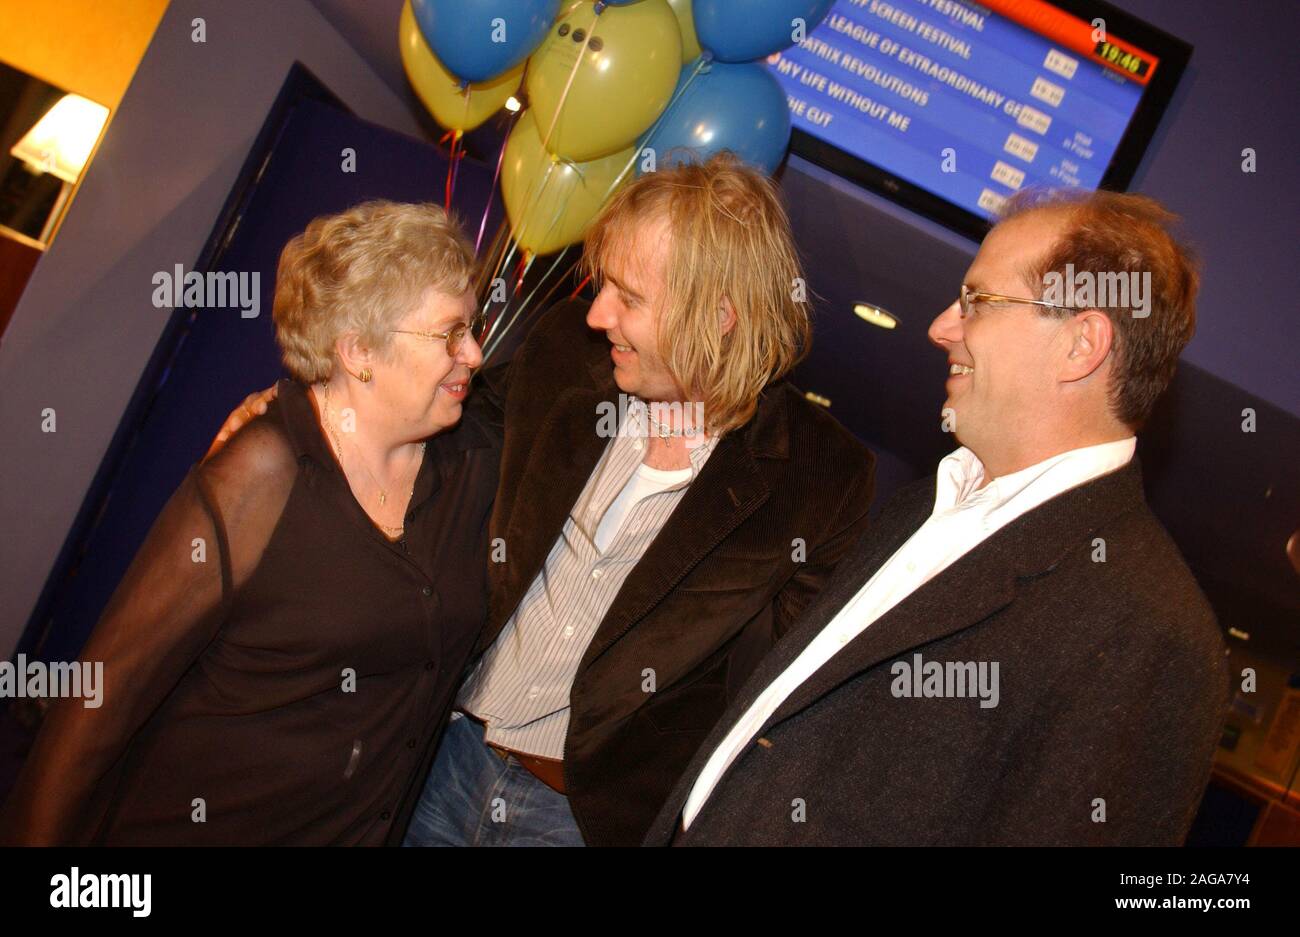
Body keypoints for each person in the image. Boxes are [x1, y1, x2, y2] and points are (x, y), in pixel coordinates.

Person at [228, 155, 877, 845]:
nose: (598, 314)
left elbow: (778, 699)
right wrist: (310, 416)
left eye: (629, 297)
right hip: (435, 755)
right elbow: (443, 436)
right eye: (604, 287)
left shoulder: (822, 478)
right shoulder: (568, 351)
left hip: (582, 821)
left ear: (718, 316)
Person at [645, 188, 1230, 846]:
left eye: (978, 301)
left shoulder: (1152, 631)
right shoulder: (919, 506)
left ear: (1080, 344)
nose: (941, 326)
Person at [0, 201, 500, 845]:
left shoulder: (472, 459)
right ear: (358, 351)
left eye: (473, 326)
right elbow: (106, 694)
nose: (476, 353)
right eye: (450, 333)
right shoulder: (261, 474)